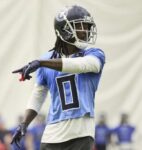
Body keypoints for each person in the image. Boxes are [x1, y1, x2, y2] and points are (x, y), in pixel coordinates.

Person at [11, 5, 105, 150]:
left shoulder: (94, 54)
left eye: (87, 27)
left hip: (80, 132)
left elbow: (80, 65)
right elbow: (39, 94)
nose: (86, 31)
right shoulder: (47, 59)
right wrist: (24, 123)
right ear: (65, 30)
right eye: (81, 26)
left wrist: (41, 63)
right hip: (52, 133)